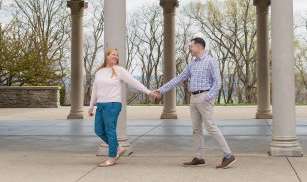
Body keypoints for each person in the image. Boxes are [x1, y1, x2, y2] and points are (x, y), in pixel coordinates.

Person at [153, 37, 236, 169]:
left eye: (191, 46)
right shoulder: (192, 63)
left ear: (199, 47)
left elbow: (218, 83)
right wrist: (161, 90)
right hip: (193, 98)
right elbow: (179, 78)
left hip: (204, 96)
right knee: (196, 129)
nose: (189, 49)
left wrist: (207, 97)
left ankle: (228, 155)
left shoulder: (210, 61)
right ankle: (199, 157)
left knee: (211, 127)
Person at [88, 48, 156, 167]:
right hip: (100, 104)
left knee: (110, 131)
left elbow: (134, 82)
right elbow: (95, 89)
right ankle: (118, 148)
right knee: (98, 130)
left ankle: (112, 157)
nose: (115, 56)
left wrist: (148, 92)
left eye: (117, 55)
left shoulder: (119, 70)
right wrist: (91, 105)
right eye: (113, 54)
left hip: (113, 104)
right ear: (107, 56)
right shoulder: (99, 71)